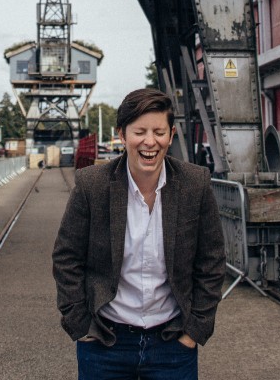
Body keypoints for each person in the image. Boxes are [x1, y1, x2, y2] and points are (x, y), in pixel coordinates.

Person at [52, 88, 226, 380]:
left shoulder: (195, 184)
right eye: (140, 131)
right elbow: (66, 258)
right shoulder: (92, 185)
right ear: (122, 135)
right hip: (105, 343)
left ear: (171, 135)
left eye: (159, 132)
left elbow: (211, 261)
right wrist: (80, 325)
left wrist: (194, 330)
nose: (150, 142)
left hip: (173, 344)